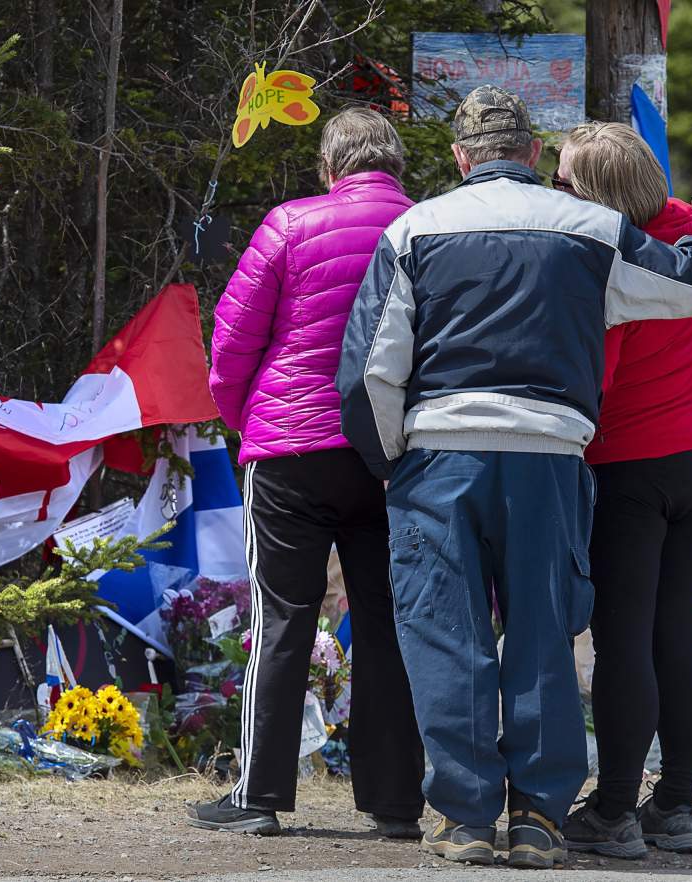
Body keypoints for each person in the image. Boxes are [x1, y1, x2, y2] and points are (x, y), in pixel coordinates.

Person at [336, 85, 692, 869]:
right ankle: (541, 820)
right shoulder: (593, 228)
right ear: (531, 155)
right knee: (544, 639)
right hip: (551, 457)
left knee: (447, 638)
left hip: (440, 458)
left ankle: (463, 819)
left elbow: (367, 373)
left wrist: (393, 461)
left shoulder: (413, 227)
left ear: (460, 159)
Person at [187, 107, 425, 837]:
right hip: (391, 452)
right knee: (388, 622)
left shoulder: (290, 224)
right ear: (396, 167)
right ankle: (394, 803)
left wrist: (247, 419)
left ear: (328, 168)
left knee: (282, 616)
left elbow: (231, 342)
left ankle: (258, 796)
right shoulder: (429, 226)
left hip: (289, 448)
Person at [557, 123, 692, 859]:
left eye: (567, 180)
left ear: (598, 191)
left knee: (623, 637)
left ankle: (612, 812)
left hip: (633, 460)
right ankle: (678, 805)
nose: (558, 191)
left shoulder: (619, 261)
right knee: (675, 631)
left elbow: (597, 378)